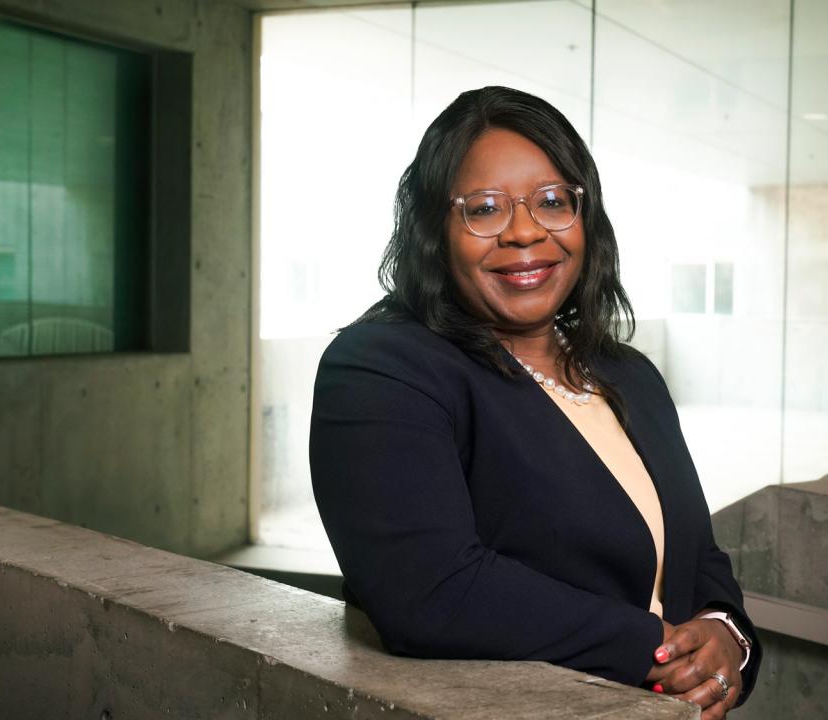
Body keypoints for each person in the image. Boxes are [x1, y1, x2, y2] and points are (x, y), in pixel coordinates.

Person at [309, 86, 761, 717]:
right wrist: (660, 652)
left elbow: (696, 554)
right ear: (434, 231)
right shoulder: (382, 368)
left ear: (587, 218)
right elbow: (431, 592)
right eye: (484, 208)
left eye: (553, 202)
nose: (524, 232)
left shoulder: (629, 375)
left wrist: (725, 636)